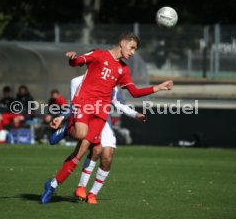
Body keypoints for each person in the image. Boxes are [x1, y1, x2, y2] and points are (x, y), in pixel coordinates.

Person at [41, 32, 173, 204]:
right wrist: (73, 58)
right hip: (85, 104)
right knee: (80, 134)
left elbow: (134, 92)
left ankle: (51, 185)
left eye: (135, 49)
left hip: (101, 113)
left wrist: (158, 88)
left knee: (80, 153)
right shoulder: (99, 54)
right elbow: (77, 61)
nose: (133, 52)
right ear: (122, 43)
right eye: (132, 48)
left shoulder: (123, 69)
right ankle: (67, 128)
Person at [48, 75, 146, 204]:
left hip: (104, 119)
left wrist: (135, 114)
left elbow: (118, 103)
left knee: (107, 157)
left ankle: (92, 193)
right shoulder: (77, 81)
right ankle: (79, 187)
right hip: (85, 119)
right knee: (91, 151)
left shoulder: (110, 81)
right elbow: (74, 105)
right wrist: (61, 117)